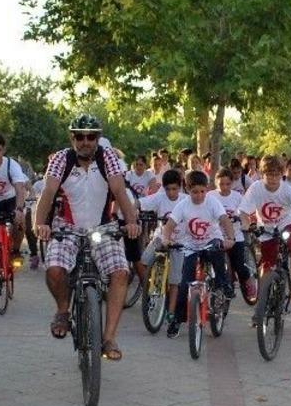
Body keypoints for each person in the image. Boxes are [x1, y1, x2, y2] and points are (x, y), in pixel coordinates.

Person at [33, 114, 139, 361]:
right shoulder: (61, 159)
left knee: (120, 273)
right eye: (79, 137)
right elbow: (48, 192)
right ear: (72, 138)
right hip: (67, 228)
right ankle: (62, 311)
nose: (85, 142)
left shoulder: (107, 157)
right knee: (54, 269)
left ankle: (109, 338)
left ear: (98, 139)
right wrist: (39, 224)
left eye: (91, 137)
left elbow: (119, 190)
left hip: (103, 228)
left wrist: (131, 222)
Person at [162, 170, 235, 338]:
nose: (199, 195)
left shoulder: (212, 202)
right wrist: (166, 239)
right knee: (184, 285)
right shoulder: (183, 205)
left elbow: (224, 220)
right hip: (191, 246)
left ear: (207, 189)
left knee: (217, 251)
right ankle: (177, 320)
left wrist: (230, 238)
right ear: (187, 190)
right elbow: (170, 224)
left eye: (202, 191)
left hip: (211, 240)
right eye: (195, 192)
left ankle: (223, 283)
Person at [238, 155, 291, 298]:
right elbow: (243, 210)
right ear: (262, 173)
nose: (273, 178)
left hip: (286, 223)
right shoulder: (256, 188)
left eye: (277, 174)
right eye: (269, 174)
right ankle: (263, 298)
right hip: (266, 228)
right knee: (268, 264)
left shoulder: (286, 189)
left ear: (282, 174)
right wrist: (245, 223)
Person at [137, 169, 185, 322]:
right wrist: (132, 209)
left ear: (180, 187)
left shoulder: (186, 200)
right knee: (144, 261)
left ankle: (170, 312)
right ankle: (151, 287)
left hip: (179, 242)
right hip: (160, 238)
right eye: (168, 189)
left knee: (174, 280)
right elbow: (141, 202)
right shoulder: (160, 197)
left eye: (174, 189)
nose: (171, 192)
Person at [207, 168, 256, 302]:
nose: (224, 187)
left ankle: (248, 281)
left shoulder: (237, 197)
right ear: (216, 183)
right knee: (216, 264)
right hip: (216, 235)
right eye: (221, 184)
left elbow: (244, 211)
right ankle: (221, 285)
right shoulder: (210, 196)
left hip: (235, 235)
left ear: (232, 183)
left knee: (239, 265)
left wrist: (242, 220)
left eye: (227, 184)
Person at [0, 132, 30, 254]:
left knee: (20, 222)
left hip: (10, 199)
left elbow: (19, 189)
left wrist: (19, 209)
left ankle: (16, 251)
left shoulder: (12, 165)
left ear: (4, 149)